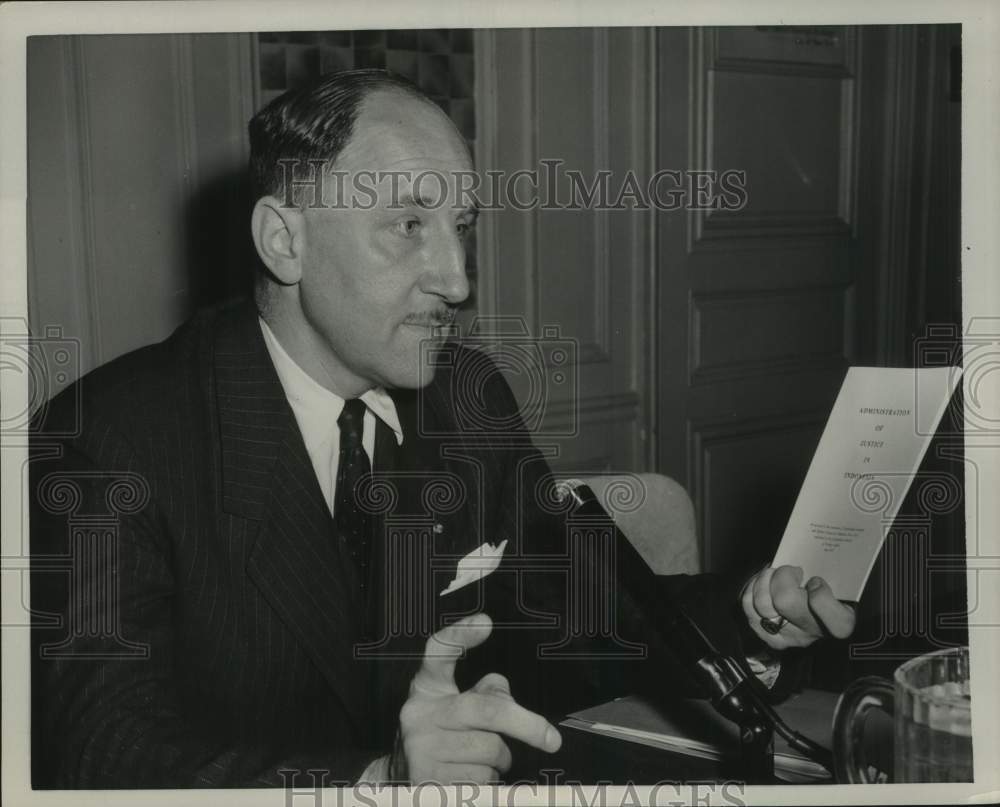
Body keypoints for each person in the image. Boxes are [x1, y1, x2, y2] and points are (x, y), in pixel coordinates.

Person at [29, 69, 856, 789]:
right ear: (284, 241)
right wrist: (375, 780)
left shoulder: (467, 396)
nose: (458, 281)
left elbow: (581, 613)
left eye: (461, 227)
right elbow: (98, 752)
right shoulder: (111, 438)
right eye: (409, 226)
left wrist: (747, 615)